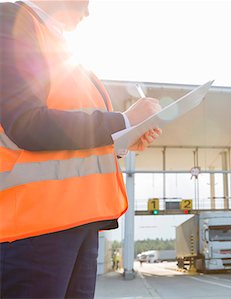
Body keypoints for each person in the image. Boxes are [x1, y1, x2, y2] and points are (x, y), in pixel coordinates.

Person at [0, 1, 161, 298]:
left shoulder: (65, 52)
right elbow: (26, 123)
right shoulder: (12, 19)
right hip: (36, 225)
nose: (87, 12)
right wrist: (123, 120)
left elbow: (74, 138)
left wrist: (122, 140)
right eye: (84, 3)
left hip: (79, 222)